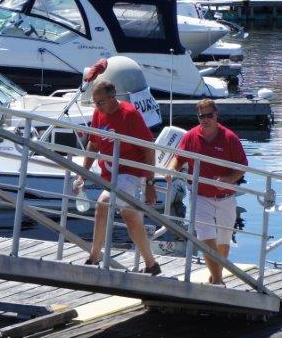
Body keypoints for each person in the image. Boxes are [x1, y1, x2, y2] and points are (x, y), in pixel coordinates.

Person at [76, 80, 162, 275]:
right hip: (111, 175)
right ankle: (151, 264)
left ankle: (93, 257)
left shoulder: (129, 114)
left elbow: (149, 149)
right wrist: (82, 174)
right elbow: (93, 144)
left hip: (130, 173)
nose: (97, 106)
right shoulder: (99, 113)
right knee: (130, 217)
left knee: (104, 203)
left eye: (101, 102)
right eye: (95, 102)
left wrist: (150, 182)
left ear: (112, 97)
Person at [170, 100, 248, 285]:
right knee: (205, 237)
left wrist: (229, 179)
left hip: (226, 196)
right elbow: (179, 158)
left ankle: (215, 277)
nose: (205, 119)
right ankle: (219, 282)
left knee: (223, 240)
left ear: (216, 115)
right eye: (201, 116)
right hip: (200, 195)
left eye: (209, 115)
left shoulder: (230, 137)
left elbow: (242, 167)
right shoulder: (190, 136)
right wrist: (172, 172)